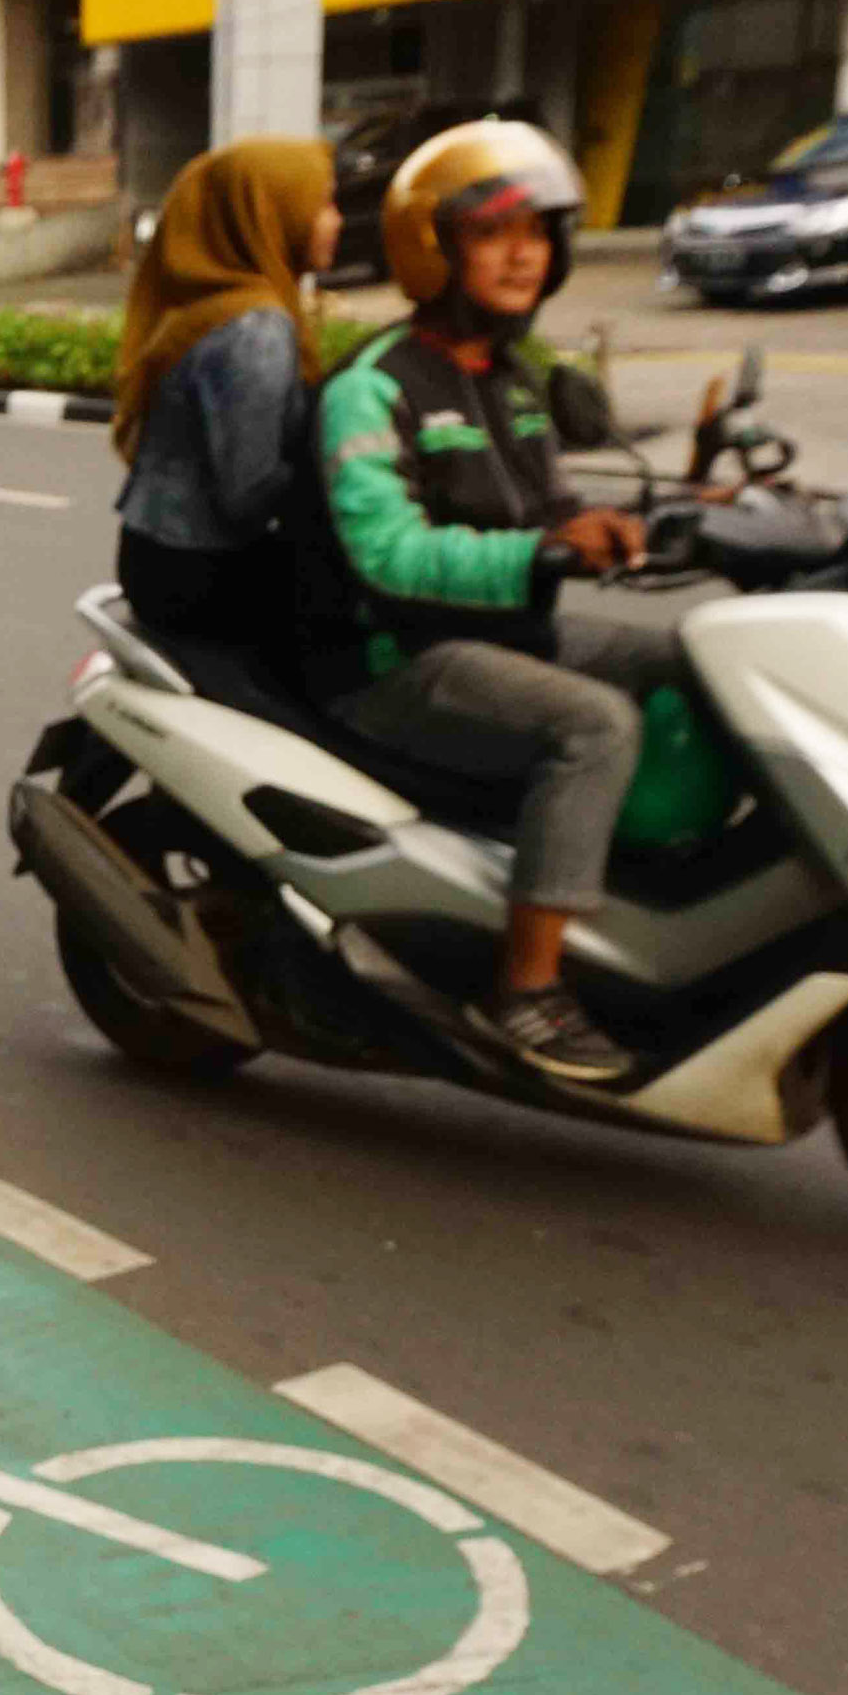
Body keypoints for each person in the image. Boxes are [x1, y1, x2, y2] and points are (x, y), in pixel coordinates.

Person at [311, 118, 677, 1086]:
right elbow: (385, 551)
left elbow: (552, 505)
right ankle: (526, 988)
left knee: (698, 660)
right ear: (435, 248)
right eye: (495, 233)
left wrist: (672, 514)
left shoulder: (518, 380)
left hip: (517, 632)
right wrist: (546, 548)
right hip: (407, 659)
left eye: (540, 233)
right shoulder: (373, 387)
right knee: (595, 724)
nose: (526, 255)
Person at [108, 139, 338, 651]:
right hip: (201, 571)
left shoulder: (216, 305)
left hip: (160, 551)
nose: (336, 220)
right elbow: (248, 492)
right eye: (323, 203)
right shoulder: (254, 328)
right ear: (272, 213)